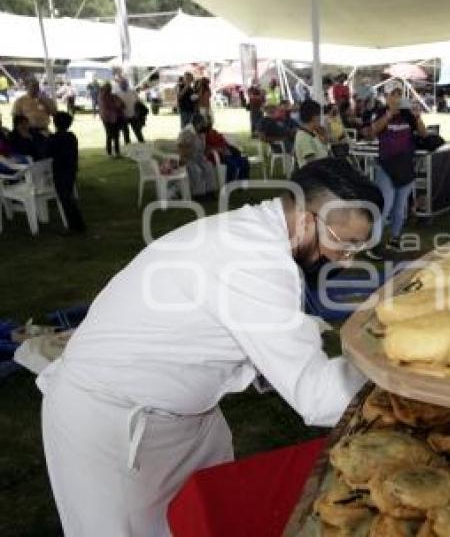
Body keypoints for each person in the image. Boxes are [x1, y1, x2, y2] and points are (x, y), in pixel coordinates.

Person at [38, 158, 382, 535]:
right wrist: (397, 366)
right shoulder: (254, 260)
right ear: (304, 217)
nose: (346, 261)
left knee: (211, 516)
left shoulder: (258, 232)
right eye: (343, 243)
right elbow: (318, 397)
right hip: (110, 423)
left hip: (186, 417)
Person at [366, 80, 428, 254]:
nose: (397, 97)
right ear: (386, 97)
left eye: (399, 94)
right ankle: (373, 245)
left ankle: (395, 239)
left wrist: (417, 117)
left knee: (400, 208)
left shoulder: (408, 114)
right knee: (385, 206)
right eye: (393, 94)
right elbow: (373, 132)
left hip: (405, 166)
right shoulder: (379, 112)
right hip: (386, 167)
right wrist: (389, 115)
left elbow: (423, 133)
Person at [46, 112, 86, 233]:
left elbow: (45, 152)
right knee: (68, 197)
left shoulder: (54, 138)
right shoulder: (71, 136)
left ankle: (74, 226)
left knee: (65, 199)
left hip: (60, 171)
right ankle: (78, 224)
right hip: (71, 169)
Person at [177, 114, 218, 198]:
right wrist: (182, 157)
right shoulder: (187, 132)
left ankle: (210, 191)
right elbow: (181, 146)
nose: (203, 126)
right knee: (196, 170)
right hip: (188, 157)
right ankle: (198, 193)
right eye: (202, 124)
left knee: (208, 167)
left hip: (199, 156)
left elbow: (202, 147)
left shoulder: (200, 132)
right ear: (197, 124)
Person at [203, 118, 250, 182]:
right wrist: (220, 150)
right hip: (219, 156)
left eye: (209, 121)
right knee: (232, 165)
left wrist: (228, 149)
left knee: (244, 161)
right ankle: (229, 184)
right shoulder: (204, 135)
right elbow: (207, 148)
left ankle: (241, 182)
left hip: (227, 152)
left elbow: (224, 142)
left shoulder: (215, 132)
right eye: (207, 122)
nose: (210, 123)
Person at [294, 100, 331, 165]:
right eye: (320, 115)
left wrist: (324, 133)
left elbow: (325, 144)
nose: (320, 118)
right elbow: (312, 165)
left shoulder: (312, 132)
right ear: (314, 117)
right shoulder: (304, 137)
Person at [97, 84, 124, 158]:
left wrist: (118, 105)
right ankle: (109, 153)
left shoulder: (113, 96)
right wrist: (117, 105)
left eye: (110, 88)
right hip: (107, 118)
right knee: (110, 135)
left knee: (116, 135)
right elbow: (113, 106)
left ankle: (117, 152)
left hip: (115, 118)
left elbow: (121, 104)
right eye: (108, 88)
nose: (109, 90)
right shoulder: (102, 97)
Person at [116, 79, 144, 144]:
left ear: (127, 84)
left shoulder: (132, 91)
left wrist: (139, 111)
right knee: (125, 132)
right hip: (123, 116)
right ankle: (128, 144)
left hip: (133, 114)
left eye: (125, 83)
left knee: (137, 130)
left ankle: (142, 142)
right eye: (122, 84)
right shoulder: (117, 93)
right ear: (119, 85)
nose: (123, 85)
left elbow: (138, 101)